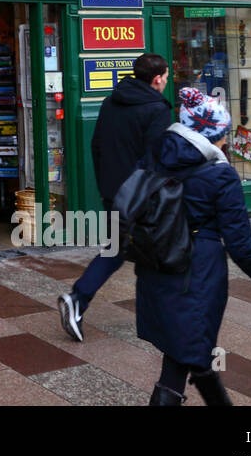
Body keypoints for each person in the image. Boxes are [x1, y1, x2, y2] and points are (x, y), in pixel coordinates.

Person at [138, 88, 251, 405]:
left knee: (188, 350)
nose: (227, 140)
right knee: (185, 353)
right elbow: (242, 247)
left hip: (158, 266)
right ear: (214, 133)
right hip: (197, 275)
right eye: (224, 133)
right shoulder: (221, 175)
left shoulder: (155, 153)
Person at [58, 53, 172, 342]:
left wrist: (107, 186)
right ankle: (80, 298)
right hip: (141, 195)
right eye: (167, 76)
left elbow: (96, 146)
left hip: (113, 191)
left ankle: (79, 300)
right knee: (156, 252)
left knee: (118, 249)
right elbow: (155, 159)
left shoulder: (111, 101)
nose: (167, 81)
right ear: (157, 79)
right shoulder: (157, 109)